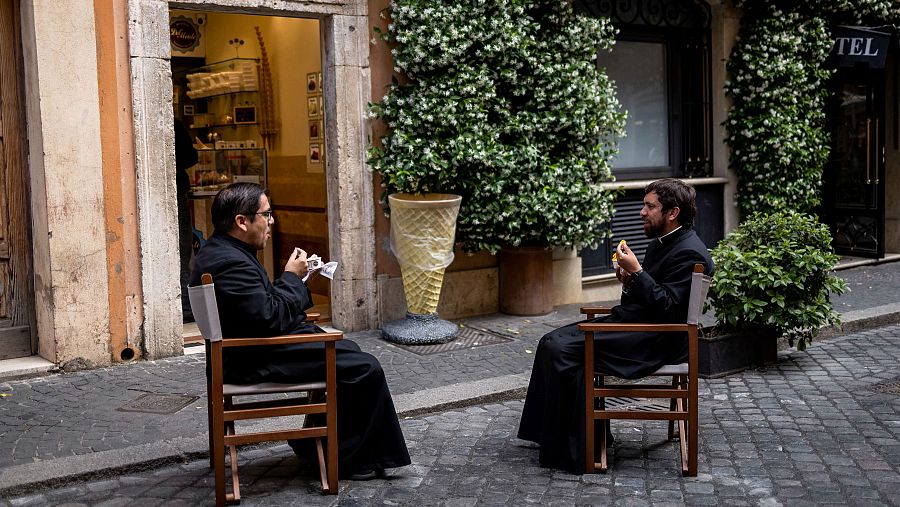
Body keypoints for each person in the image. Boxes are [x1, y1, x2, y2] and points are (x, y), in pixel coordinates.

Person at [189, 182, 411, 479]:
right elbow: (268, 318)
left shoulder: (222, 251)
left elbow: (261, 312)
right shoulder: (230, 262)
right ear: (242, 222)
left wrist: (294, 282)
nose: (271, 222)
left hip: (249, 348)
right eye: (266, 214)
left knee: (350, 354)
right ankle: (345, 458)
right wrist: (292, 277)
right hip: (250, 358)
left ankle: (320, 443)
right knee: (363, 366)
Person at [517, 178, 714, 474]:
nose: (642, 212)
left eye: (650, 206)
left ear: (672, 213)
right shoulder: (664, 242)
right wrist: (628, 280)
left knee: (562, 350)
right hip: (638, 326)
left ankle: (576, 448)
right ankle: (549, 434)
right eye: (644, 205)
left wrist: (637, 272)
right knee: (549, 339)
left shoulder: (690, 252)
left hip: (657, 341)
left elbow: (669, 310)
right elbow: (648, 297)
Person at [175, 119, 198, 323]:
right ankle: (185, 306)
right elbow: (190, 157)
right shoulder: (174, 124)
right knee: (182, 250)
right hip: (177, 190)